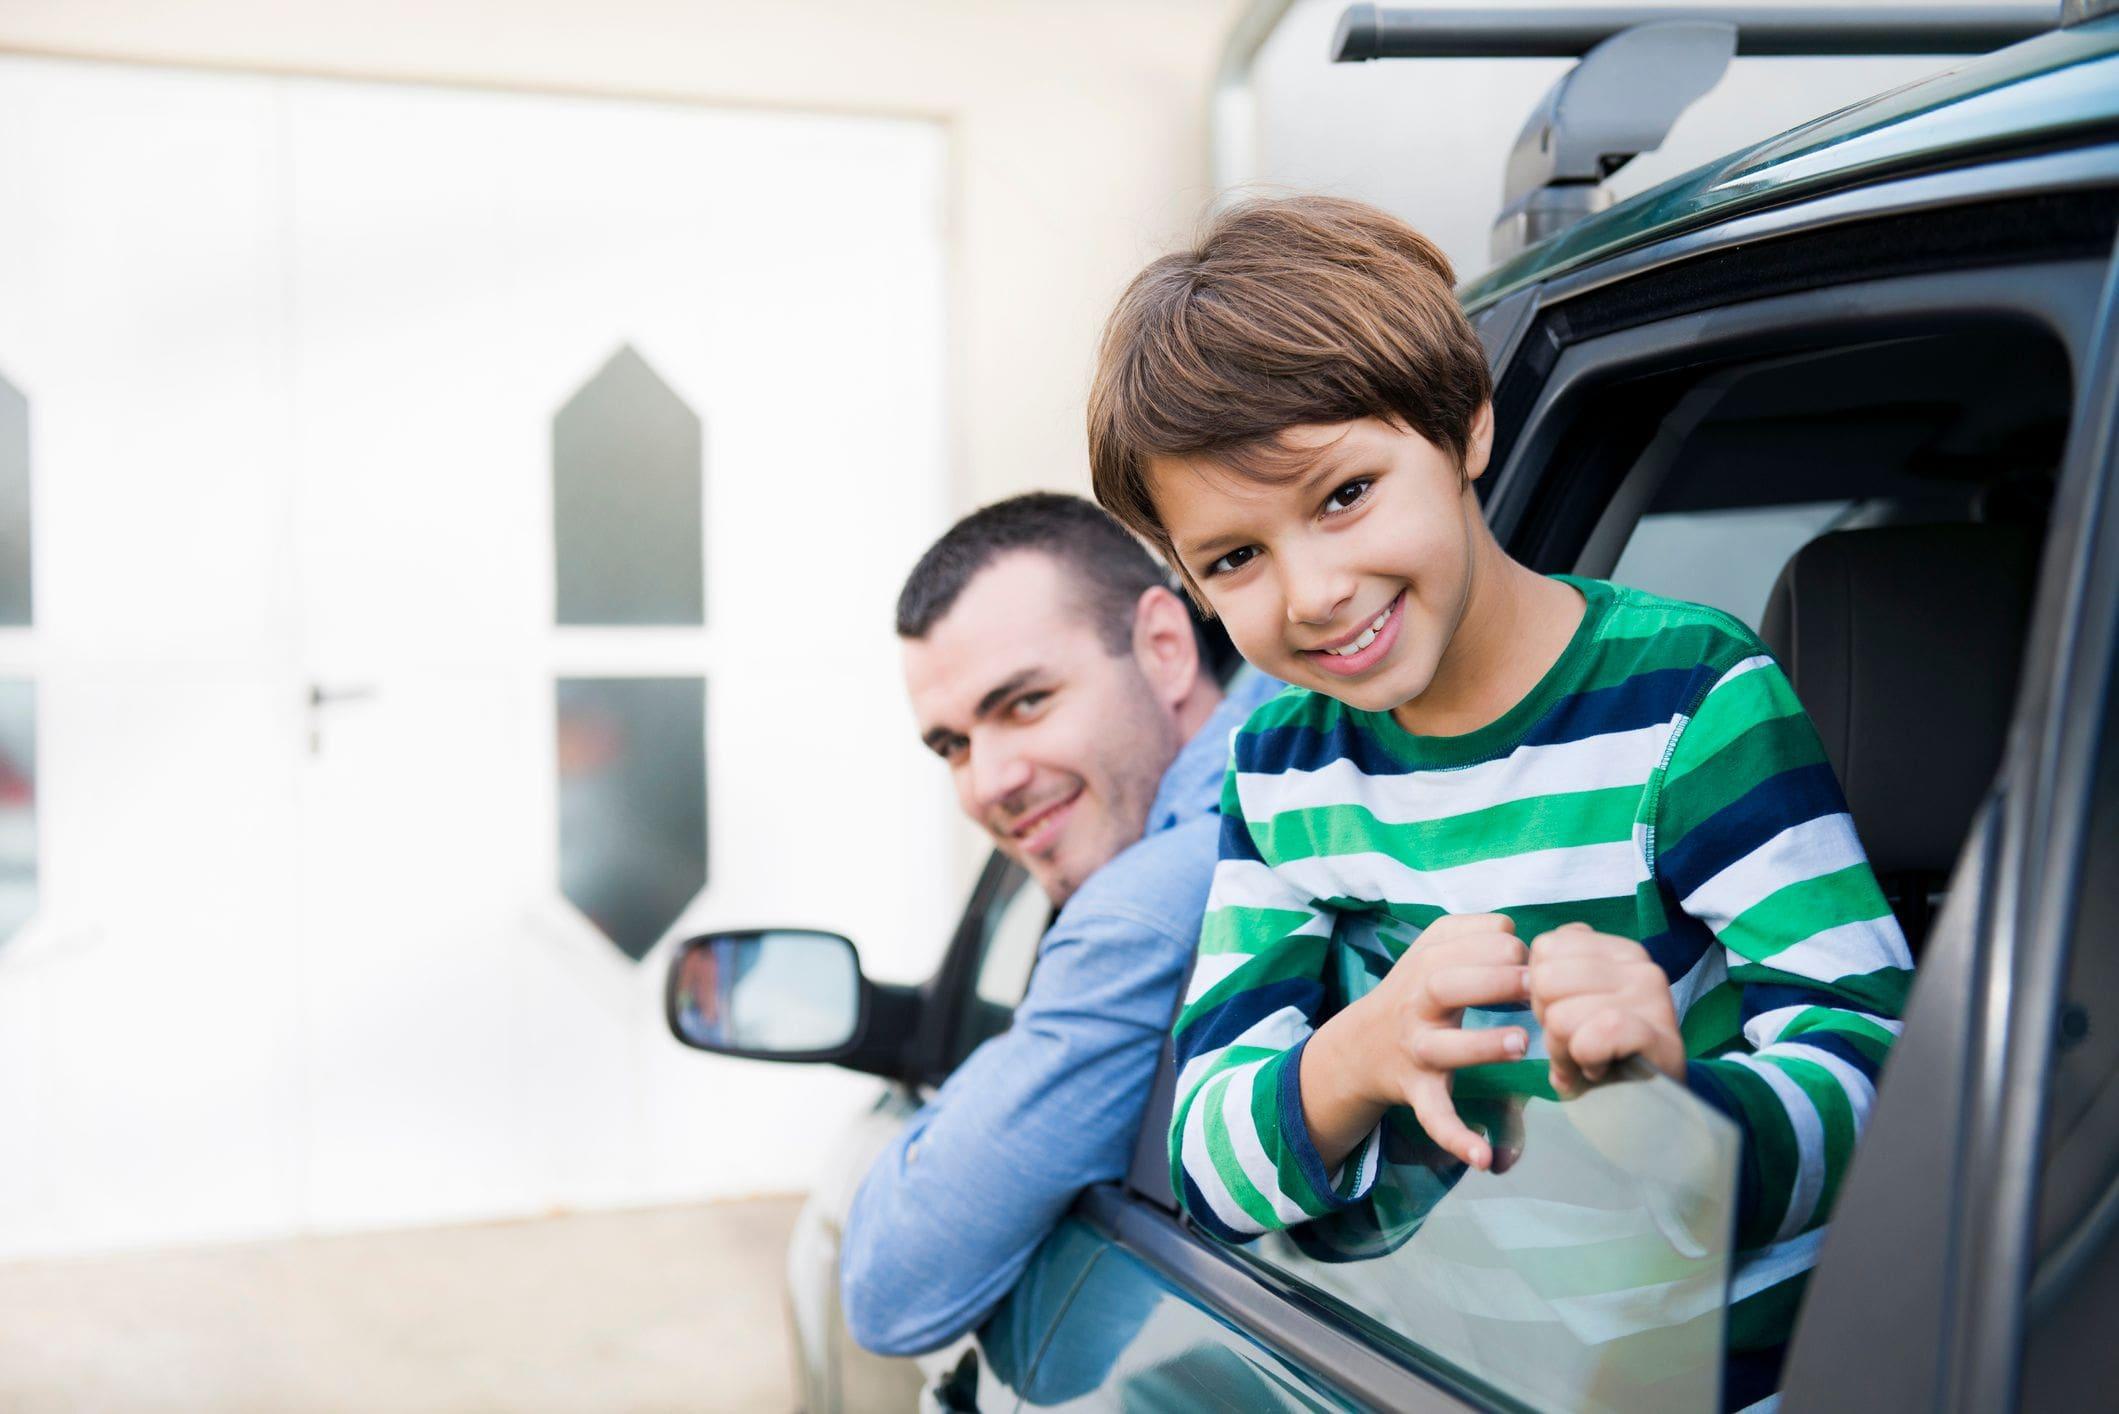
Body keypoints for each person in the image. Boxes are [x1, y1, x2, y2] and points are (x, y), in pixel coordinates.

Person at [1087, 195, 1912, 1406]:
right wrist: (1361, 1052)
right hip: (1435, 1369)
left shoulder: (1691, 699)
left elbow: (1874, 1068)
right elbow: (1209, 1159)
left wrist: (1667, 1107)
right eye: (1234, 558)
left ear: (1467, 425)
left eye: (1343, 494)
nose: (1311, 590)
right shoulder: (1283, 766)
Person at [839, 492, 1279, 1356]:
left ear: (1162, 646)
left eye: (1025, 702)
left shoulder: (1137, 908)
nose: (986, 783)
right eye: (952, 745)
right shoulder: (1303, 723)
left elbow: (890, 1295)